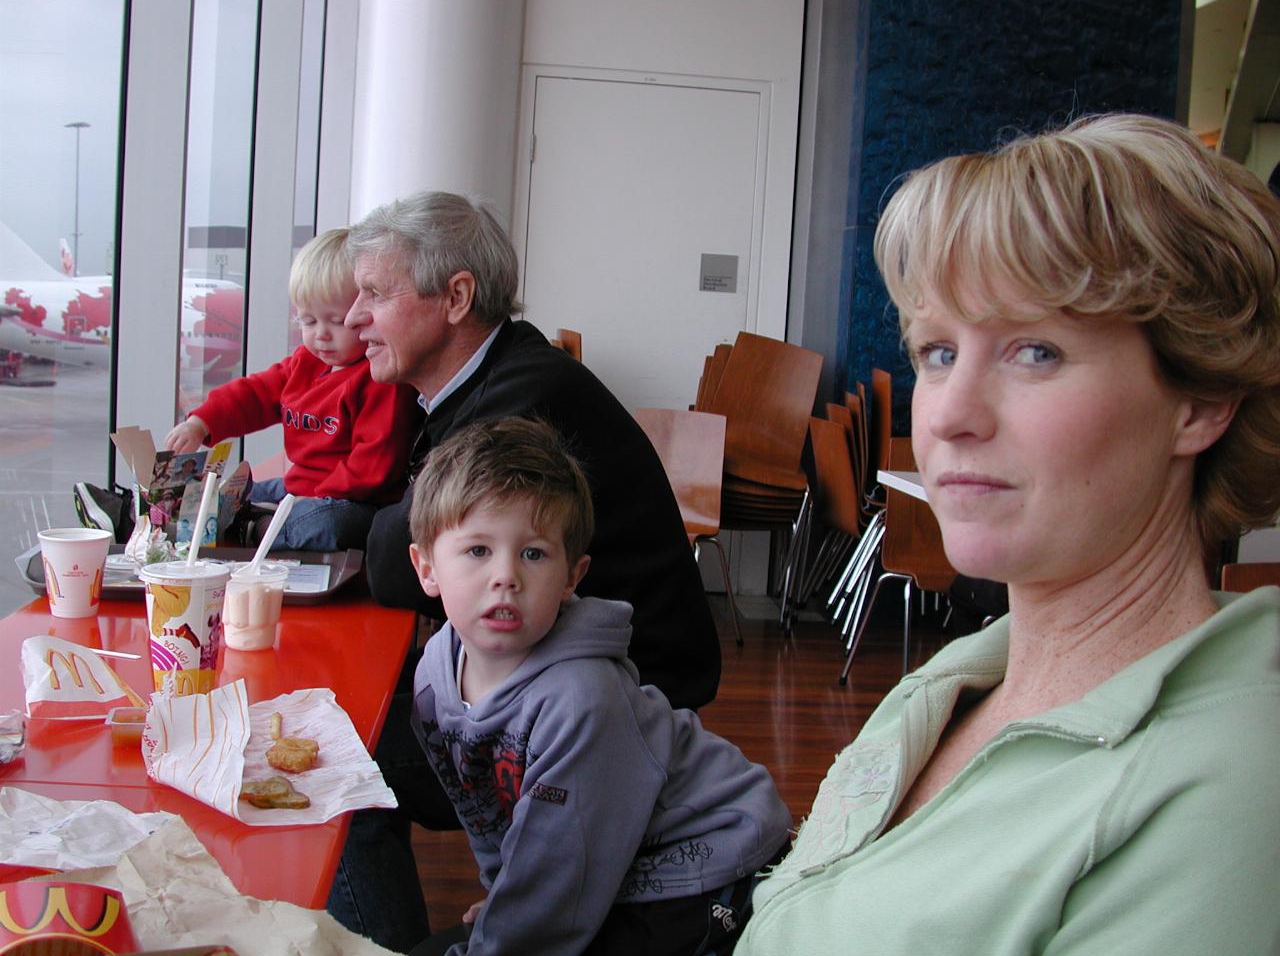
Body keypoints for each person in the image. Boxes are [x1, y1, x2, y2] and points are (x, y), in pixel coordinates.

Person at [737, 113, 1280, 954]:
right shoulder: (963, 677)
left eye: (1036, 352)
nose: (947, 414)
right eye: (937, 352)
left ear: (1201, 401)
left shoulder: (1225, 802)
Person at [328, 191, 721, 952]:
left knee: (342, 764)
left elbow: (394, 562)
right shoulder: (486, 379)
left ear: (456, 298)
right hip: (545, 670)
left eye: (374, 293)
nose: (353, 317)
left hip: (620, 698)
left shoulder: (525, 399)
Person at [404, 416, 790, 956]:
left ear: (572, 577)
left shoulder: (582, 700)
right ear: (426, 568)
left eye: (533, 553)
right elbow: (485, 814)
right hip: (603, 853)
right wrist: (502, 896)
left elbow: (559, 884)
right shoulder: (432, 680)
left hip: (707, 859)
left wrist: (508, 931)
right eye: (478, 551)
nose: (506, 576)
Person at [164, 228, 420, 551]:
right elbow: (254, 395)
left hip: (350, 500)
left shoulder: (380, 379)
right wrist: (201, 423)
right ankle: (171, 519)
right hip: (295, 488)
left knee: (327, 524)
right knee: (233, 494)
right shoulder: (305, 363)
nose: (321, 335)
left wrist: (312, 498)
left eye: (336, 321)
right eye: (308, 322)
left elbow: (373, 467)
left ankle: (252, 530)